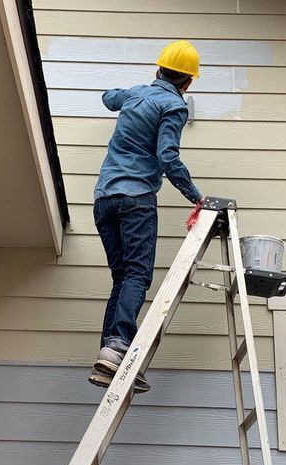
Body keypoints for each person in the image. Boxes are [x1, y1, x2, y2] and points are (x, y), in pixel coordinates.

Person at [88, 40, 203, 393]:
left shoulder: (136, 94)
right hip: (136, 198)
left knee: (123, 276)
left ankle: (110, 353)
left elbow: (109, 97)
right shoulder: (174, 106)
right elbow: (167, 157)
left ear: (158, 70)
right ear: (188, 82)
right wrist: (195, 197)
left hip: (104, 198)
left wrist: (129, 96)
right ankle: (119, 344)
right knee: (137, 273)